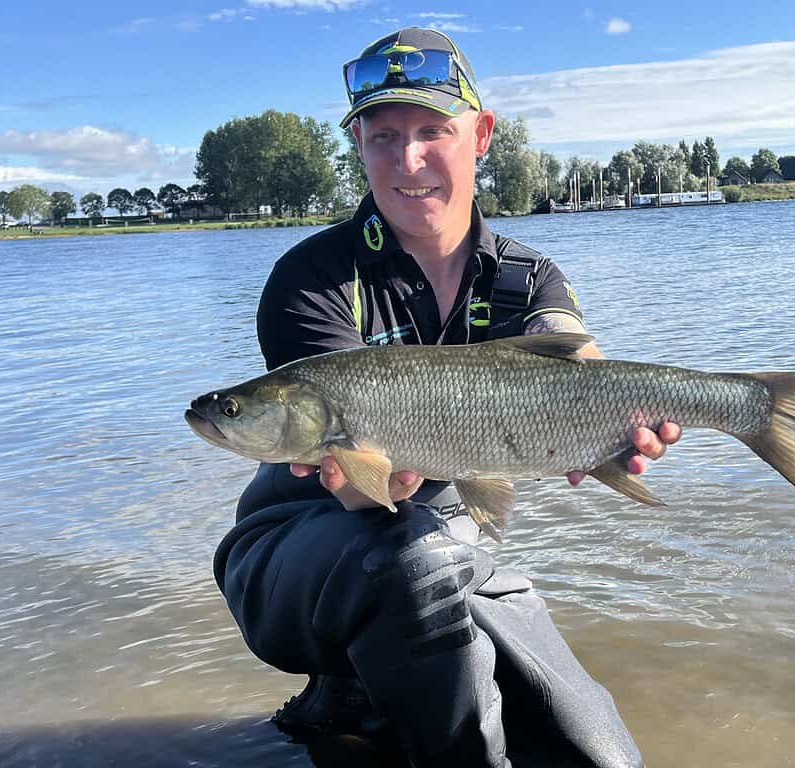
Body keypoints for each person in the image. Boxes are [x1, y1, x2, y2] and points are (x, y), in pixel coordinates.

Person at [212, 27, 680, 767]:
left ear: (482, 134)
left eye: (434, 131)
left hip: (444, 540)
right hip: (295, 543)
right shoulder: (311, 280)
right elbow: (366, 496)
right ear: (359, 146)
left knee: (593, 752)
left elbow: (578, 354)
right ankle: (346, 685)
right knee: (411, 562)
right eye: (383, 137)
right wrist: (381, 482)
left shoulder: (531, 278)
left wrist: (616, 428)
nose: (408, 161)